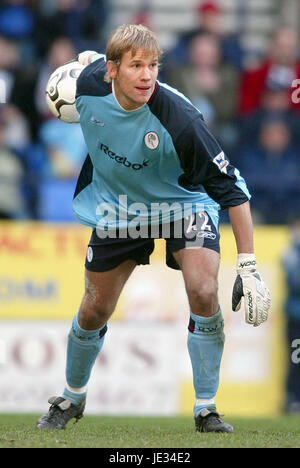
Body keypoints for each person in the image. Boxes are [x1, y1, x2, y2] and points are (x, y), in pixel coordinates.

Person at [36, 24, 271, 433]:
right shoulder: (89, 84)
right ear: (113, 70)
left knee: (202, 288)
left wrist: (248, 265)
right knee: (94, 307)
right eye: (136, 66)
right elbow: (87, 60)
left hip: (182, 203)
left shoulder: (182, 121)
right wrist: (82, 60)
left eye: (154, 66)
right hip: (120, 205)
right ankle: (71, 398)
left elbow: (234, 190)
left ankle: (206, 409)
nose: (147, 76)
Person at [282, 219, 300, 413]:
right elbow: (295, 282)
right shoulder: (290, 253)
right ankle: (293, 399)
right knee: (296, 360)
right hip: (296, 319)